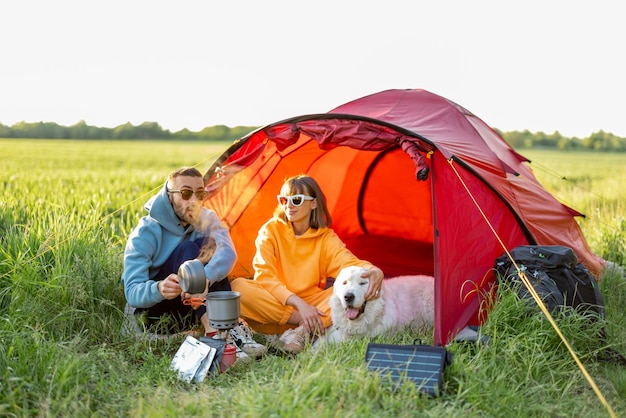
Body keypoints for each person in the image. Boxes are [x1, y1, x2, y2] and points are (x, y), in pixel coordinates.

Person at [231, 174, 384, 353]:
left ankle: (300, 332)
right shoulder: (271, 230)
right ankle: (304, 324)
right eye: (283, 199)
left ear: (313, 203)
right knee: (238, 287)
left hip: (314, 305)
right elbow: (264, 276)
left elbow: (348, 263)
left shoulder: (325, 238)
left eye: (296, 200)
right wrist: (300, 307)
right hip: (277, 303)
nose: (288, 205)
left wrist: (374, 270)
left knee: (340, 293)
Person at [121, 166, 265, 357]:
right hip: (158, 312)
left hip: (190, 308)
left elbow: (227, 252)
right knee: (188, 250)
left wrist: (205, 277)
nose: (194, 201)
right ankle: (217, 334)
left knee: (211, 246)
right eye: (186, 193)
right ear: (169, 195)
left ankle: (227, 330)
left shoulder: (207, 218)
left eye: (200, 193)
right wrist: (159, 288)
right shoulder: (146, 231)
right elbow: (132, 292)